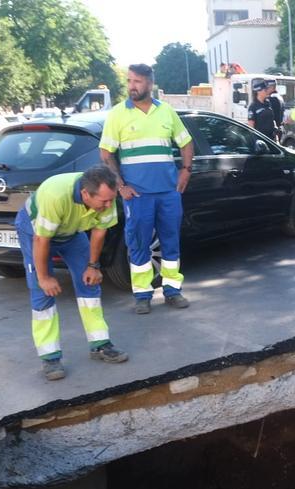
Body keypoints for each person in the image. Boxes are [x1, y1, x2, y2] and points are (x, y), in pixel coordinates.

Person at [13, 166, 128, 380]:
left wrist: (93, 266)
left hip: (72, 232)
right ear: (85, 194)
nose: (109, 205)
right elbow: (42, 240)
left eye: (111, 200)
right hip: (35, 233)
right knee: (42, 291)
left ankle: (100, 344)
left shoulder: (106, 197)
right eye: (104, 201)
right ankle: (50, 357)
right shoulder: (56, 195)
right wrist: (44, 277)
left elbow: (99, 231)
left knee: (90, 282)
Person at [99, 63, 195, 314]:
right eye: (130, 81)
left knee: (171, 242)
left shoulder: (166, 112)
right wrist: (121, 186)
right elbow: (106, 153)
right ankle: (142, 295)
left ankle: (173, 291)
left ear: (150, 84)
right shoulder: (118, 114)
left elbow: (186, 142)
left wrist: (186, 170)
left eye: (137, 81)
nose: (132, 86)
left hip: (168, 192)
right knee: (139, 243)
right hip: (138, 194)